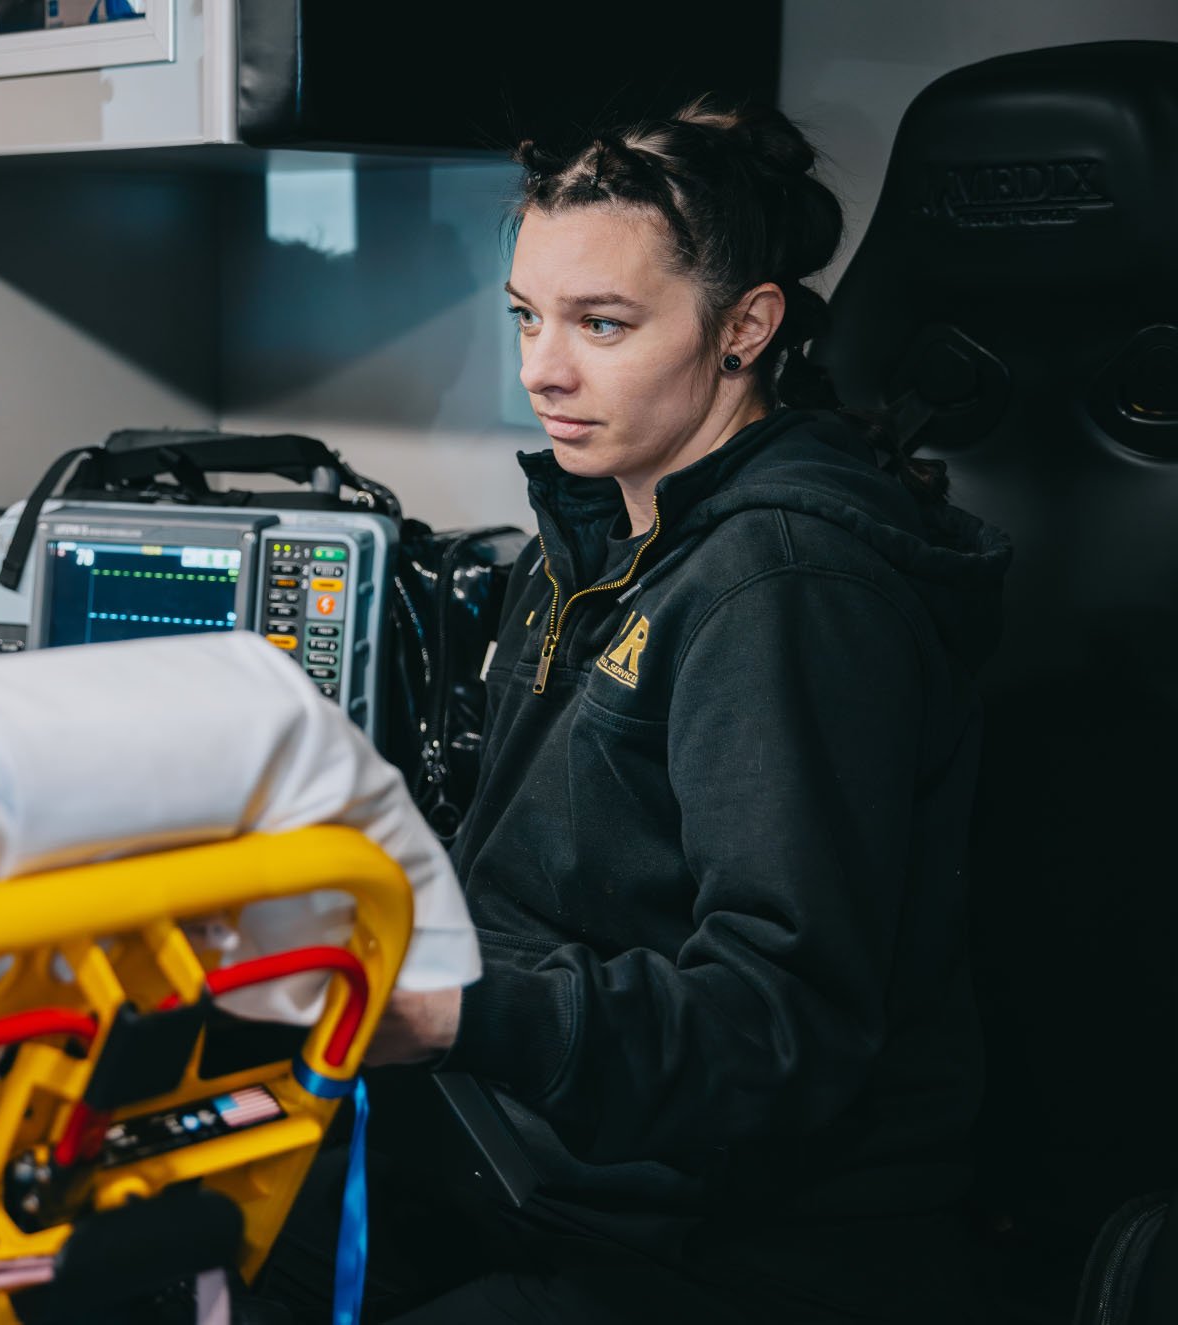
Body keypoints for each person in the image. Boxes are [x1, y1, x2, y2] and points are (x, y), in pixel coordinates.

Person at [263, 100, 1012, 1323]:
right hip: (532, 1144)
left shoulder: (786, 590)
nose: (540, 369)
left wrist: (452, 1012)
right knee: (143, 1226)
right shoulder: (601, 527)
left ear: (745, 328)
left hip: (717, 1235)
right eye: (526, 316)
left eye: (600, 323)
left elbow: (778, 1022)